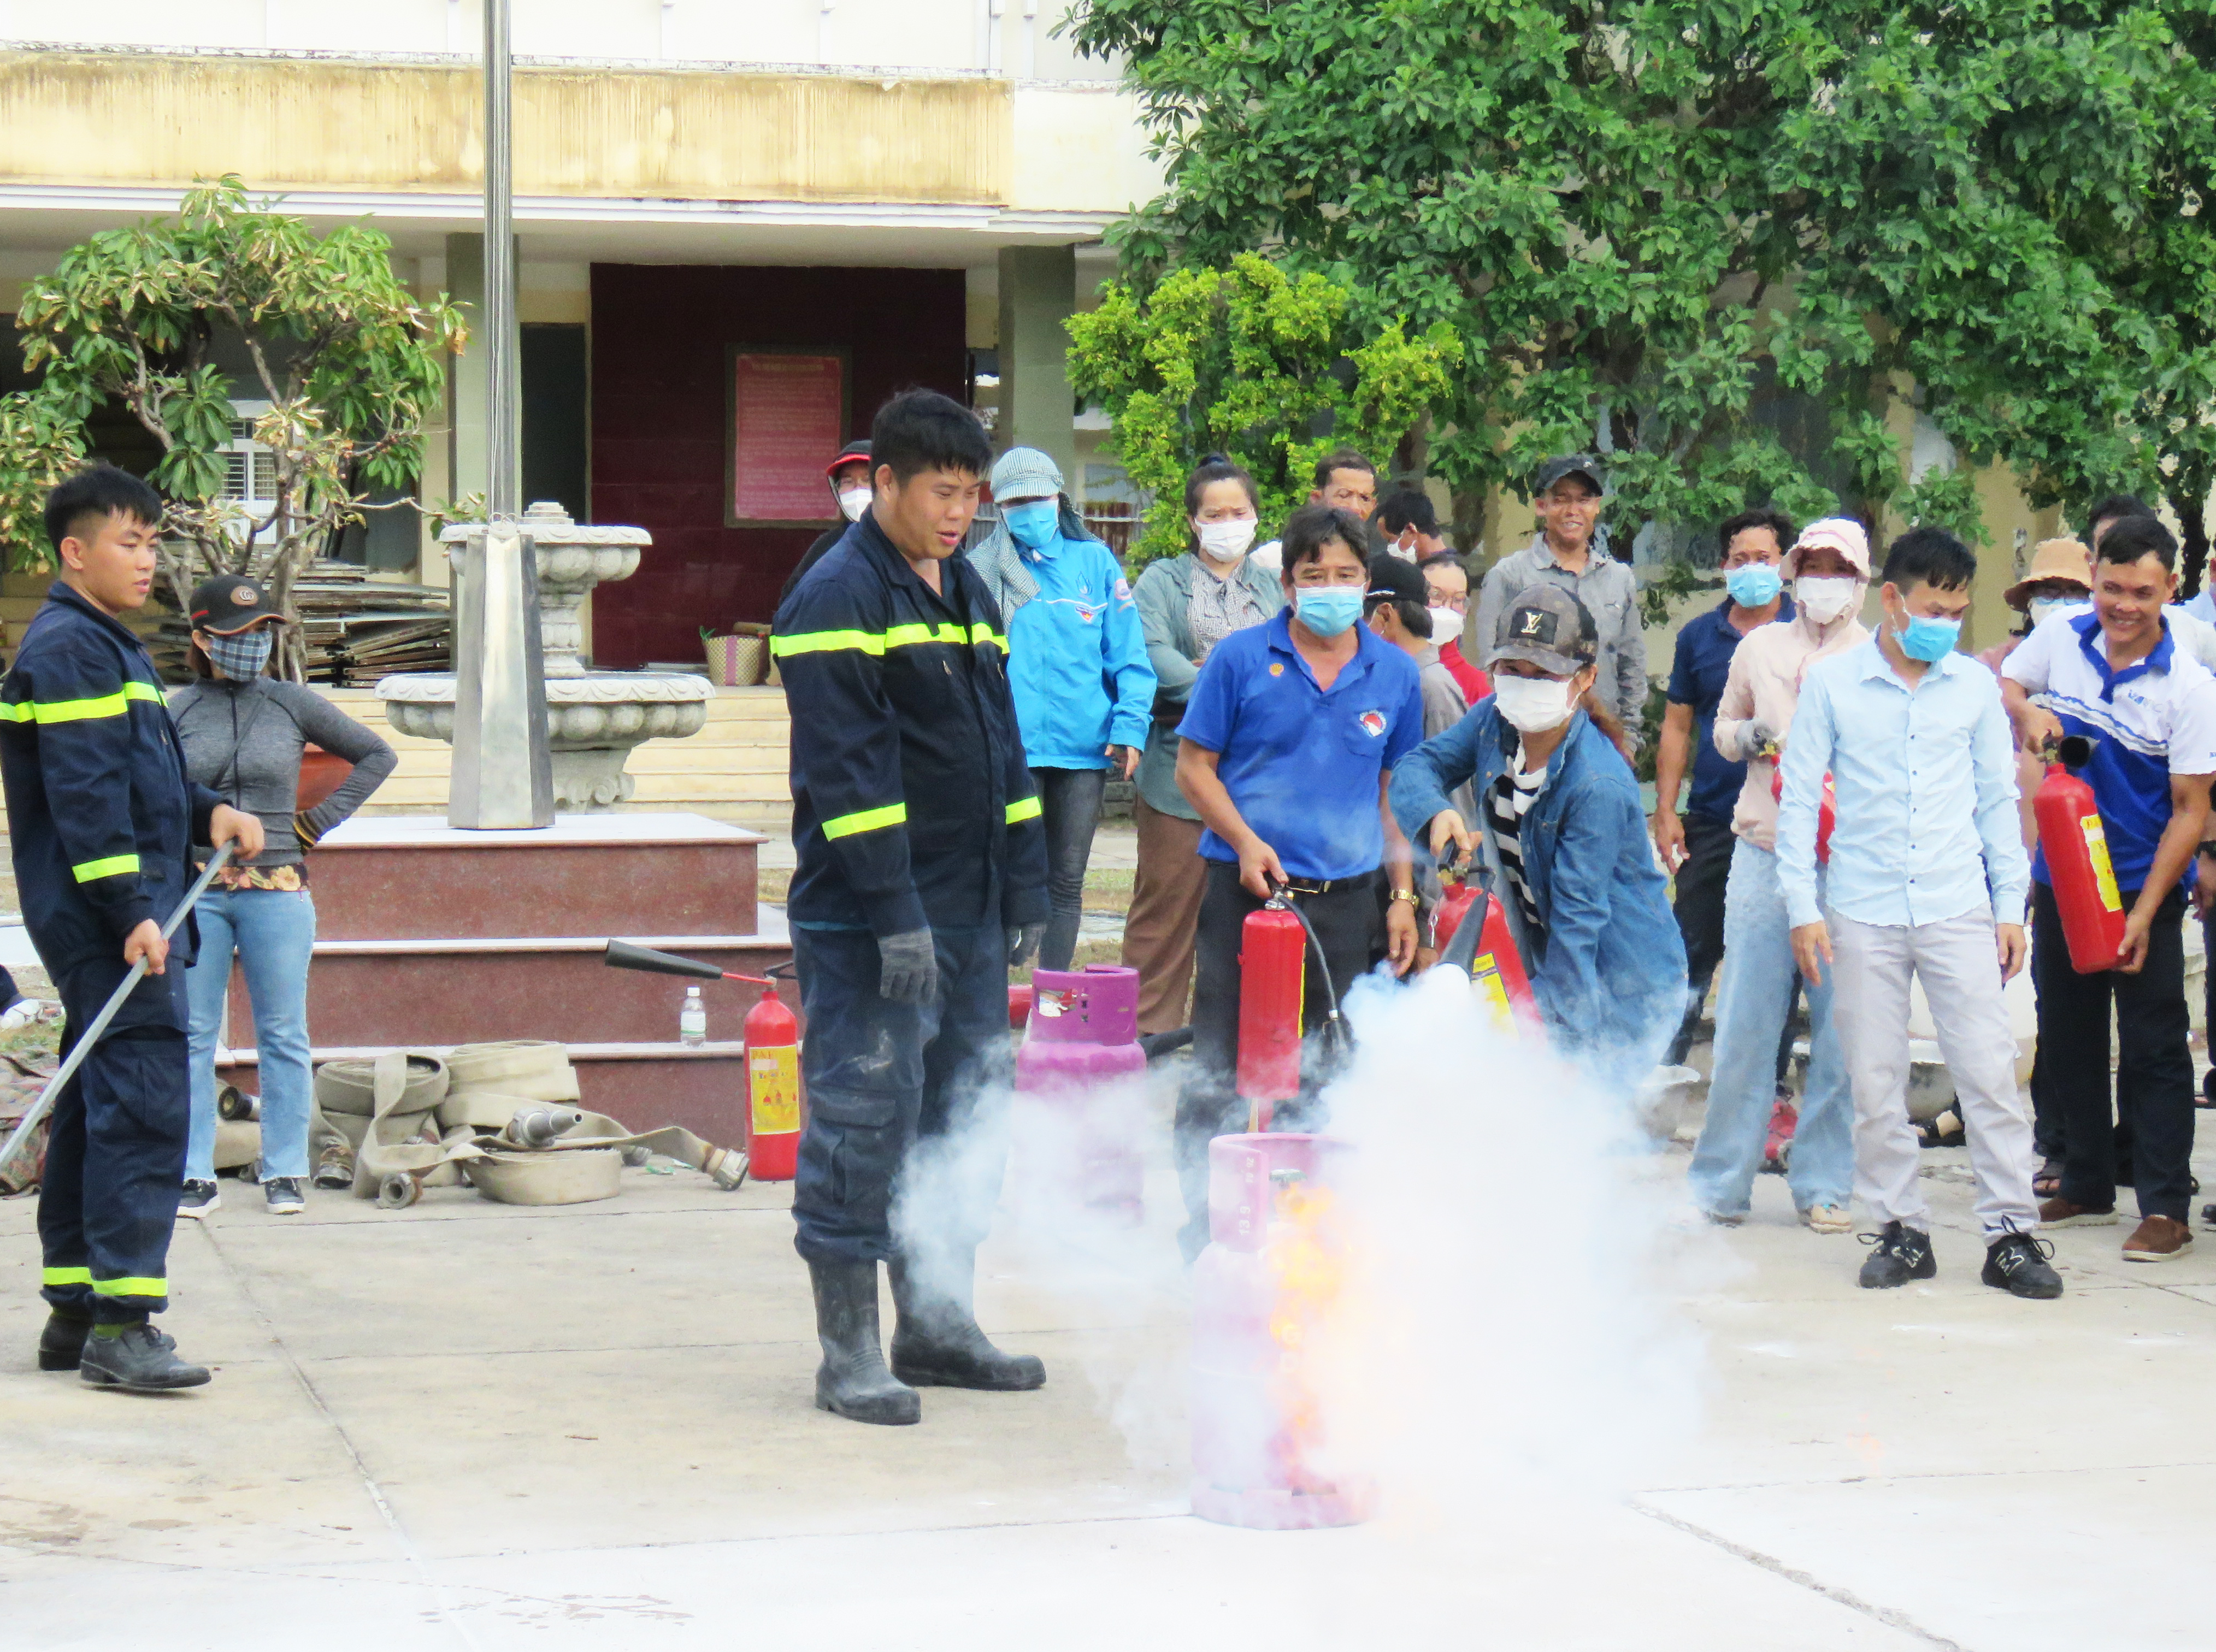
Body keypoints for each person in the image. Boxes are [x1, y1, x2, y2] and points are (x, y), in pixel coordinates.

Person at [770, 390, 1050, 1426]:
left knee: (962, 1117)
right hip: (872, 925)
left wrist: (1023, 879)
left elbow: (1000, 748)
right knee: (863, 1121)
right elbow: (850, 773)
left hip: (971, 911)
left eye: (971, 495)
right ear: (881, 482)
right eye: (941, 490)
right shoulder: (837, 594)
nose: (958, 512)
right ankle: (847, 1353)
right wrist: (892, 912)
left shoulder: (966, 584)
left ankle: (936, 1323)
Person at [4, 464, 264, 1390]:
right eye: (129, 541)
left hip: (122, 914)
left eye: (154, 540)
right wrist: (129, 914)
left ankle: (76, 1308)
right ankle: (124, 1322)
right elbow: (84, 799)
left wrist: (210, 815)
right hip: (114, 921)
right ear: (76, 552)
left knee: (95, 1098)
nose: (149, 557)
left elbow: (141, 781)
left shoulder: (105, 647)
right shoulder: (72, 650)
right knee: (145, 1103)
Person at [1780, 527, 2060, 1300]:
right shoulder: (1834, 685)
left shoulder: (1970, 686)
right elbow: (1800, 801)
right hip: (1862, 909)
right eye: (1934, 607)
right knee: (1875, 1080)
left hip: (1956, 905)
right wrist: (1803, 909)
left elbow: (1998, 803)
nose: (1946, 622)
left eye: (1959, 610)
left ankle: (2011, 1234)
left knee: (1989, 1073)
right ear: (1893, 601)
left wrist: (2012, 907)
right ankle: (1902, 1230)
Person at [1172, 504, 1423, 1258]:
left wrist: (1404, 895)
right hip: (1245, 897)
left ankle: (1303, 1225)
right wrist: (1245, 841)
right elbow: (1193, 769)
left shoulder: (1396, 672)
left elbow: (1396, 795)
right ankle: (1208, 1226)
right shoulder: (1241, 659)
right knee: (1221, 1063)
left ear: (1368, 584)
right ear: (1286, 583)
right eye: (1314, 576)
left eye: (1347, 576)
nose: (1330, 589)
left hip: (1347, 903)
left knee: (1327, 1070)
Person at [2001, 514, 2216, 1262]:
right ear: (2094, 579)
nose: (2123, 606)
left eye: (2142, 593)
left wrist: (2148, 911)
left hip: (2137, 881)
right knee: (2068, 1034)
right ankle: (2087, 1178)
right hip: (2061, 874)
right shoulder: (2061, 637)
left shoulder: (2190, 688)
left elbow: (2192, 811)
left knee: (2156, 1048)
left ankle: (2165, 1206)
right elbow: (2009, 680)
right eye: (2112, 588)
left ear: (2171, 590)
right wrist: (2029, 710)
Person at [1391, 586, 1684, 1086]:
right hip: (1546, 962)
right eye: (1513, 670)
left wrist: (1556, 1050)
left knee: (1575, 1132)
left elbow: (1577, 929)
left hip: (1619, 985)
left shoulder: (1597, 785)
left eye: (1544, 674)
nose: (1526, 685)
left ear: (1585, 678)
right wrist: (1437, 813)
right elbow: (1416, 768)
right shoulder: (1493, 722)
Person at [168, 573, 394, 1219]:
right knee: (192, 1035)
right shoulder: (174, 710)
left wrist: (315, 823)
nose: (252, 645)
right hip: (199, 890)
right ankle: (194, 1172)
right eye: (237, 635)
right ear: (203, 639)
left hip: (280, 887)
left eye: (263, 632)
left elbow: (377, 755)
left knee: (284, 1033)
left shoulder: (293, 703)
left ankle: (286, 1168)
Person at [1685, 518, 1869, 1232]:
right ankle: (1719, 1184)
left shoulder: (1873, 657)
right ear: (1794, 574)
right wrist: (1751, 738)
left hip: (1845, 858)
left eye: (1838, 569)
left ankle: (1823, 1182)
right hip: (1764, 847)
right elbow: (1723, 730)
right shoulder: (1759, 647)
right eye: (1813, 566)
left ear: (1859, 580)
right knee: (1744, 1023)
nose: (1823, 582)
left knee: (1839, 1031)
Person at [966, 447, 1154, 973]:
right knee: (1004, 874)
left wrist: (1130, 727)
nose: (1030, 510)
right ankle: (997, 993)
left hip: (1083, 749)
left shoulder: (1094, 563)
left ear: (1059, 498)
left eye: (1039, 498)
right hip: (1011, 751)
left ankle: (1051, 996)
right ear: (999, 508)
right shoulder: (977, 573)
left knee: (1067, 880)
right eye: (1016, 502)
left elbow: (1129, 658)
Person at [1119, 458, 1284, 1037]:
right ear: (1194, 521)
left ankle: (1225, 1041)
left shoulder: (1273, 587)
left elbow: (1289, 663)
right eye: (1214, 514)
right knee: (1165, 913)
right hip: (1177, 775)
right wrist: (1231, 687)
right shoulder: (1163, 581)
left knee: (1245, 920)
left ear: (1256, 517)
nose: (1227, 523)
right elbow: (1151, 654)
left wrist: (1231, 678)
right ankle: (1148, 1037)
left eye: (1238, 512)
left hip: (1259, 780)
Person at [1652, 509, 1796, 1068]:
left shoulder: (1803, 633)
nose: (1753, 569)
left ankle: (1770, 1087)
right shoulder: (1698, 638)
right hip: (1713, 817)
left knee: (1775, 960)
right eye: (1741, 559)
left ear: (1784, 565)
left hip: (1783, 822)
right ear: (1723, 565)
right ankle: (1661, 1072)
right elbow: (1677, 725)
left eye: (1764, 558)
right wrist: (1666, 810)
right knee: (1689, 948)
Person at [1472, 454, 1646, 730]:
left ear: (1597, 507)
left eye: (1583, 500)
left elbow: (1631, 666)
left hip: (1600, 735)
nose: (1572, 510)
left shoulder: (1619, 579)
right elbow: (1489, 665)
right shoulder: (1509, 576)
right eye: (1561, 499)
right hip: (1529, 735)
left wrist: (1629, 739)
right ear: (1542, 506)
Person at [776, 437, 875, 604]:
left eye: (867, 480)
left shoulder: (911, 545)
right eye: (848, 482)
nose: (858, 490)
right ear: (837, 490)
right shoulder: (827, 545)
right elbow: (789, 601)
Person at [1251, 447, 1378, 575]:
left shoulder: (1379, 567)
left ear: (1374, 505)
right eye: (1344, 495)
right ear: (1317, 498)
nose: (1355, 507)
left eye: (1365, 498)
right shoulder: (1271, 560)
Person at [1419, 551, 1489, 703]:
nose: (1447, 607)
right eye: (1436, 595)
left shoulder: (1477, 685)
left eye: (1458, 599)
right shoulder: (1389, 664)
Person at [1377, 489, 1448, 562]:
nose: (1389, 549)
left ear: (1411, 530)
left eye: (1390, 541)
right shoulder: (1453, 564)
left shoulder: (1440, 570)